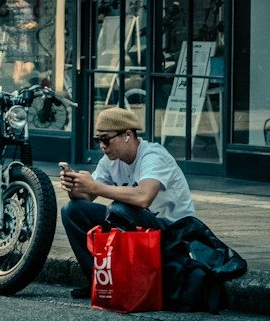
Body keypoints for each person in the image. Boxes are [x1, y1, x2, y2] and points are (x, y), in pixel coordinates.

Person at [59, 106, 196, 299]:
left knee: (120, 209)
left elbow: (143, 197)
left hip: (174, 233)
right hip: (140, 229)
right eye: (98, 140)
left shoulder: (153, 156)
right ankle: (98, 281)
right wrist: (75, 189)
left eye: (106, 139)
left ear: (128, 135)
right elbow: (87, 198)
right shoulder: (110, 160)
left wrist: (94, 187)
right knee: (72, 210)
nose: (102, 146)